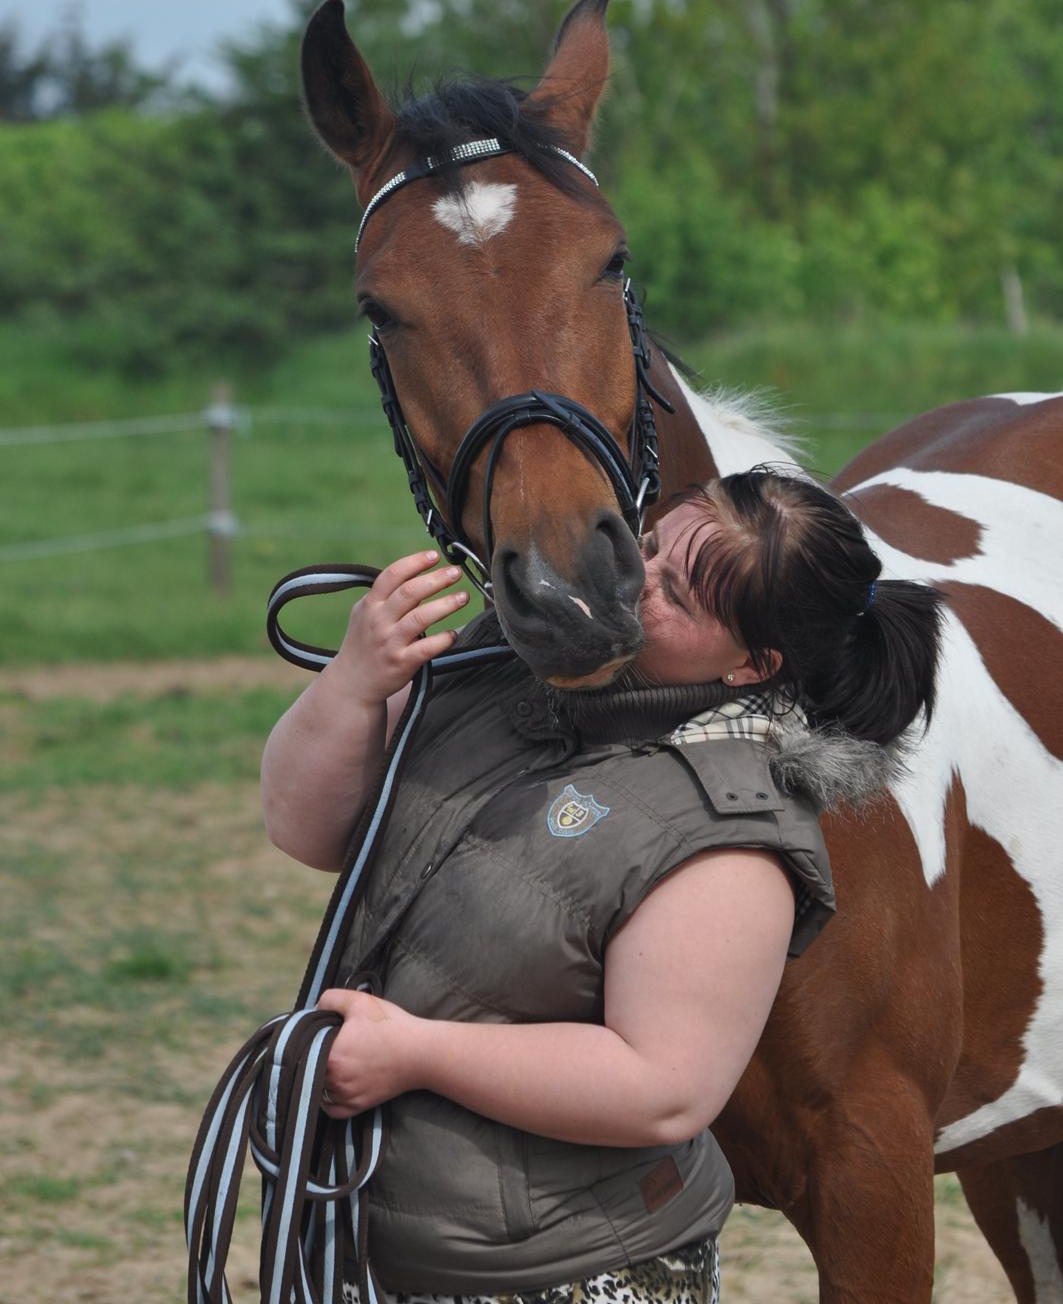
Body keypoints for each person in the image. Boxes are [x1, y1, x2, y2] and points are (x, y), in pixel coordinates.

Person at [260, 465, 944, 1304]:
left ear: (750, 664)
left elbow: (661, 1089)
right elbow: (308, 826)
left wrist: (413, 1054)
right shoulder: (506, 671)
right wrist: (356, 682)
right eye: (647, 545)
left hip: (556, 1273)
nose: (630, 579)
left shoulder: (731, 840)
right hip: (369, 1238)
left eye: (676, 593)